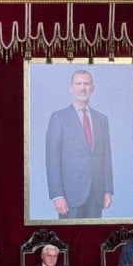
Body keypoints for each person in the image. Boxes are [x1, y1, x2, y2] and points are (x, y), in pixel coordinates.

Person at [45, 69, 113, 219]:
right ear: (71, 88)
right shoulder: (58, 118)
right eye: (78, 84)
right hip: (70, 197)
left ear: (92, 88)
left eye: (86, 84)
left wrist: (108, 190)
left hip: (96, 193)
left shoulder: (102, 119)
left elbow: (106, 157)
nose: (83, 88)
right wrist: (57, 195)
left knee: (95, 239)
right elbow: (52, 160)